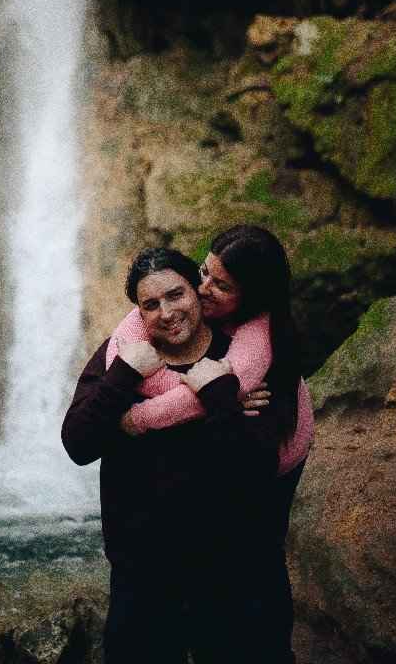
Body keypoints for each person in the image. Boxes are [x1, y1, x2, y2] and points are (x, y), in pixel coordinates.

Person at [61, 244, 286, 664]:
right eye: (150, 304)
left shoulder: (241, 364)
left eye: (176, 295)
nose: (166, 312)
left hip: (231, 574)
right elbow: (78, 444)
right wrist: (122, 376)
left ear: (197, 293)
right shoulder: (122, 358)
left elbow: (259, 470)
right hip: (143, 575)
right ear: (139, 313)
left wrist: (221, 395)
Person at [108, 225, 314, 663]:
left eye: (221, 285)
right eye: (204, 272)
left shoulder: (263, 340)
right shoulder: (166, 316)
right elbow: (81, 435)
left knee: (255, 571)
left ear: (252, 296)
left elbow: (252, 455)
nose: (203, 289)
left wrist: (146, 416)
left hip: (274, 470)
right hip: (176, 537)